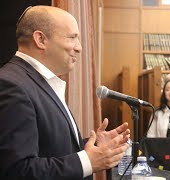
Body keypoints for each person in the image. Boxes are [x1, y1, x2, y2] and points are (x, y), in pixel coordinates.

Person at [0, 6, 130, 180]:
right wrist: (88, 161)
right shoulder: (12, 84)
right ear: (40, 39)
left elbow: (48, 148)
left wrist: (93, 147)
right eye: (72, 38)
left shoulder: (37, 81)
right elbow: (18, 170)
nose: (79, 48)